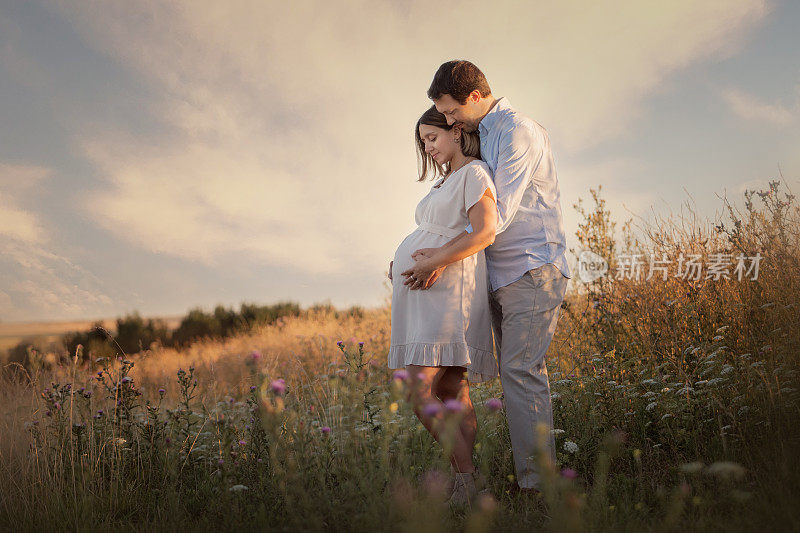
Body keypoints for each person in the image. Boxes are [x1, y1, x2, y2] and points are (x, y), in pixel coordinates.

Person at [402, 60, 571, 494]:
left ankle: (538, 486)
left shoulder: (517, 131)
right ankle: (524, 477)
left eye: (453, 111)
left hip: (529, 267)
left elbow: (495, 219)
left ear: (476, 96)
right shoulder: (485, 135)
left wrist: (438, 257)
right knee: (511, 373)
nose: (450, 118)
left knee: (520, 370)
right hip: (496, 274)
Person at [387, 104, 498, 506]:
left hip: (448, 289)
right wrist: (403, 256)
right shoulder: (446, 181)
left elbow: (484, 229)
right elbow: (435, 230)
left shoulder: (473, 173)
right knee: (451, 388)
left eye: (432, 138)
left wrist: (432, 259)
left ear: (455, 130)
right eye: (423, 143)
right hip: (427, 292)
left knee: (420, 389)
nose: (428, 147)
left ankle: (466, 481)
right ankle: (468, 482)